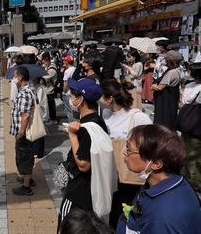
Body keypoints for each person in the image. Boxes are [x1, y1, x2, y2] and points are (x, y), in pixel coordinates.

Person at [117, 124, 201, 234]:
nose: (124, 152)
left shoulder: (163, 220)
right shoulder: (174, 182)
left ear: (156, 164)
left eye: (129, 149)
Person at [99, 79, 153, 228]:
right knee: (114, 210)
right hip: (111, 172)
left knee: (129, 209)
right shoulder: (105, 113)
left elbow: (152, 141)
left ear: (109, 98)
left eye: (101, 95)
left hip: (131, 176)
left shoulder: (137, 116)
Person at [58, 78, 109, 227]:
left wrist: (73, 136)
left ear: (81, 99)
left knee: (66, 227)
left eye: (73, 95)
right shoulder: (99, 121)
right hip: (91, 191)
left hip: (77, 192)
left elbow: (83, 165)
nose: (70, 98)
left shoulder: (87, 129)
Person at [10, 66, 37, 195]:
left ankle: (26, 187)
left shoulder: (25, 92)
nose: (14, 79)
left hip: (24, 133)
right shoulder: (29, 89)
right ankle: (28, 178)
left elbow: (25, 114)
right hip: (27, 131)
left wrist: (20, 133)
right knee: (27, 156)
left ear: (20, 77)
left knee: (24, 157)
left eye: (15, 76)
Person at [180, 62, 201, 192]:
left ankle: (192, 179)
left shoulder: (188, 86)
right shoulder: (191, 85)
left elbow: (183, 102)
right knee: (195, 154)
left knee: (189, 152)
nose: (188, 73)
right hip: (197, 123)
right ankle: (195, 181)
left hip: (187, 122)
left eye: (190, 71)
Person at [152, 50, 182, 131]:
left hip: (166, 101)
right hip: (170, 99)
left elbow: (160, 87)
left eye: (166, 58)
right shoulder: (177, 70)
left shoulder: (172, 72)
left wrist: (154, 86)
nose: (164, 60)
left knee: (164, 122)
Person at [42, 54, 58, 125]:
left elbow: (47, 78)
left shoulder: (52, 69)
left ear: (47, 61)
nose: (43, 63)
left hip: (50, 89)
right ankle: (50, 118)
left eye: (44, 62)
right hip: (47, 88)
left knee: (51, 105)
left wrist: (41, 74)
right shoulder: (47, 67)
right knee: (48, 105)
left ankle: (53, 119)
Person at [61, 55, 76, 122]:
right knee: (74, 111)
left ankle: (71, 124)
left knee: (69, 111)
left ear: (67, 62)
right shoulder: (75, 69)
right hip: (74, 92)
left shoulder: (67, 71)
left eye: (65, 60)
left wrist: (64, 92)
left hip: (68, 93)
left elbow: (66, 83)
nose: (64, 61)